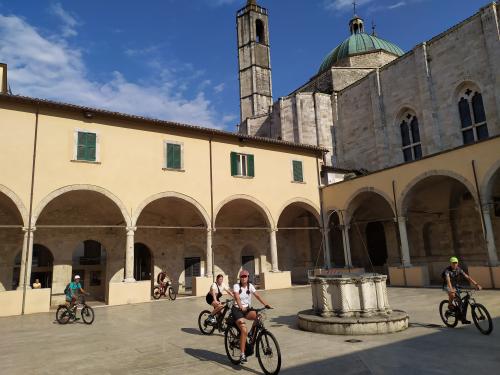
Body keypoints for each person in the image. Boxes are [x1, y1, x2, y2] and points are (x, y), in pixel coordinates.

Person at [232, 269, 271, 365]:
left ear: (248, 277)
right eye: (242, 276)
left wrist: (266, 304)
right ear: (240, 278)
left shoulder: (250, 286)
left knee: (259, 316)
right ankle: (242, 354)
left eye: (245, 276)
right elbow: (236, 297)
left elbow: (257, 296)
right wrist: (241, 306)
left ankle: (250, 334)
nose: (244, 278)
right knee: (243, 330)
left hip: (247, 310)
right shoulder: (236, 286)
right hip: (237, 310)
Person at [443, 256, 481, 324]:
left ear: (457, 263)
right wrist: (451, 289)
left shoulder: (459, 269)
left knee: (461, 302)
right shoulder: (447, 271)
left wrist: (476, 284)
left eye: (456, 263)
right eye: (453, 263)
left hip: (455, 285)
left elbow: (468, 277)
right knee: (452, 294)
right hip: (447, 285)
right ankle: (450, 305)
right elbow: (448, 280)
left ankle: (463, 318)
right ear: (450, 263)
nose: (454, 264)